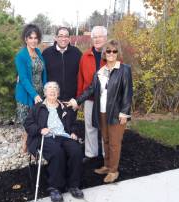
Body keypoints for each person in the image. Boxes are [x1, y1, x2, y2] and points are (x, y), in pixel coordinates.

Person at [66, 40, 133, 183]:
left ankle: (114, 171)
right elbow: (90, 89)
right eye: (108, 51)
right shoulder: (100, 72)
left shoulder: (124, 69)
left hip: (116, 113)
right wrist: (76, 101)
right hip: (101, 112)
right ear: (104, 53)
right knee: (106, 140)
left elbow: (128, 93)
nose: (111, 54)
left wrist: (124, 113)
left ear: (118, 53)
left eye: (114, 51)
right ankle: (107, 166)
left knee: (115, 143)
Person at [24, 81, 84, 202]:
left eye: (55, 88)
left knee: (76, 150)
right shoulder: (38, 107)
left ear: (58, 93)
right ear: (45, 92)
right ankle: (55, 187)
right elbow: (28, 124)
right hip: (46, 137)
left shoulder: (64, 107)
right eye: (49, 88)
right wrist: (40, 129)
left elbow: (73, 123)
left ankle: (73, 185)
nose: (52, 90)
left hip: (64, 136)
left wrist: (73, 132)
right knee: (57, 153)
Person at [15, 24, 47, 152]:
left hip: (40, 92)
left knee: (38, 119)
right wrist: (34, 95)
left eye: (36, 38)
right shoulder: (21, 56)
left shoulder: (38, 52)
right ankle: (26, 142)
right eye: (31, 38)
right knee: (27, 121)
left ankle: (34, 144)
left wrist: (45, 90)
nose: (33, 40)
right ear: (25, 39)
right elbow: (23, 79)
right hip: (27, 94)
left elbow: (43, 72)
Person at [77, 26, 107, 159]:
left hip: (107, 99)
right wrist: (79, 99)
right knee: (90, 127)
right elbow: (81, 78)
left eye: (100, 36)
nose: (97, 39)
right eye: (94, 37)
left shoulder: (111, 54)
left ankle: (107, 155)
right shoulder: (85, 56)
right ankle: (91, 154)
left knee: (107, 128)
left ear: (105, 38)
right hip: (89, 99)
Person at [42, 27, 82, 101]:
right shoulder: (46, 53)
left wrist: (79, 99)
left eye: (66, 36)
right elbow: (41, 73)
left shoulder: (77, 53)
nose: (63, 39)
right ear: (56, 38)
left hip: (71, 100)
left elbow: (81, 75)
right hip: (52, 99)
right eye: (61, 36)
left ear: (69, 38)